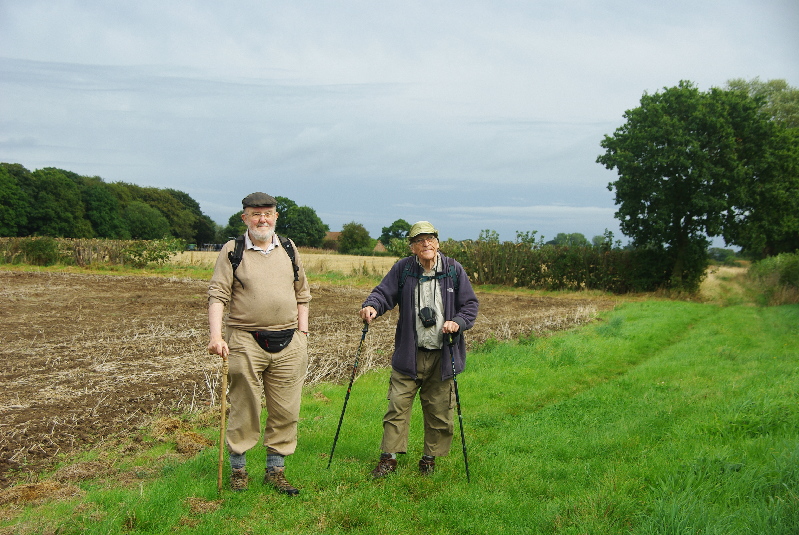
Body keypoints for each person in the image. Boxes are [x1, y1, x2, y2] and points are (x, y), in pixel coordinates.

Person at [207, 192, 311, 495]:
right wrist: (216, 337)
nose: (262, 219)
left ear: (276, 216)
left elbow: (302, 294)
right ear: (245, 218)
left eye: (267, 213)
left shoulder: (289, 249)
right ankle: (239, 472)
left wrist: (302, 336)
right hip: (245, 340)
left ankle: (275, 472)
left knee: (286, 409)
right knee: (244, 407)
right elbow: (218, 295)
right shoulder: (232, 250)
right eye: (255, 214)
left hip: (290, 341)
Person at [359, 221, 478, 478]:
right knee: (397, 406)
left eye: (430, 238)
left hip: (443, 356)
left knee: (439, 410)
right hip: (409, 355)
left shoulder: (454, 271)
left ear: (437, 242)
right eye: (420, 240)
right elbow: (383, 294)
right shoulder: (403, 269)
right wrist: (372, 306)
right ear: (412, 247)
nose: (426, 243)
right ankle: (388, 460)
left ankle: (428, 460)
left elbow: (470, 306)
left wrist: (456, 323)